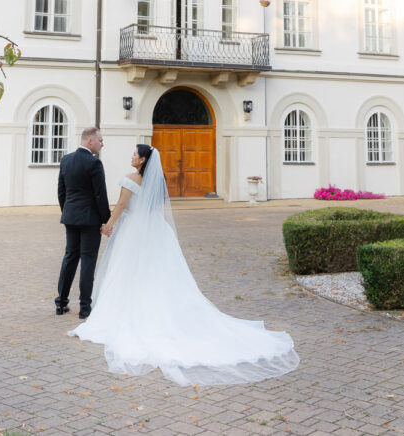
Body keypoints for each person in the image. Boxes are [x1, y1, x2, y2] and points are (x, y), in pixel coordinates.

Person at [71, 144, 299, 386]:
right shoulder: (156, 182)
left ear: (143, 159)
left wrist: (108, 225)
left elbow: (120, 206)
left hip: (134, 231)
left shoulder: (129, 180)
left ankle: (129, 309)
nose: (132, 156)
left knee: (130, 271)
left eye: (135, 154)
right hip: (156, 230)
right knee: (158, 274)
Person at [55, 126, 110, 319]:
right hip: (90, 220)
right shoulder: (94, 163)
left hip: (71, 217)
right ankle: (85, 307)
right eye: (100, 140)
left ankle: (61, 302)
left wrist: (68, 211)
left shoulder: (66, 160)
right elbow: (100, 194)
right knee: (88, 260)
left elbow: (61, 191)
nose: (102, 144)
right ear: (90, 141)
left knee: (70, 257)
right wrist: (106, 220)